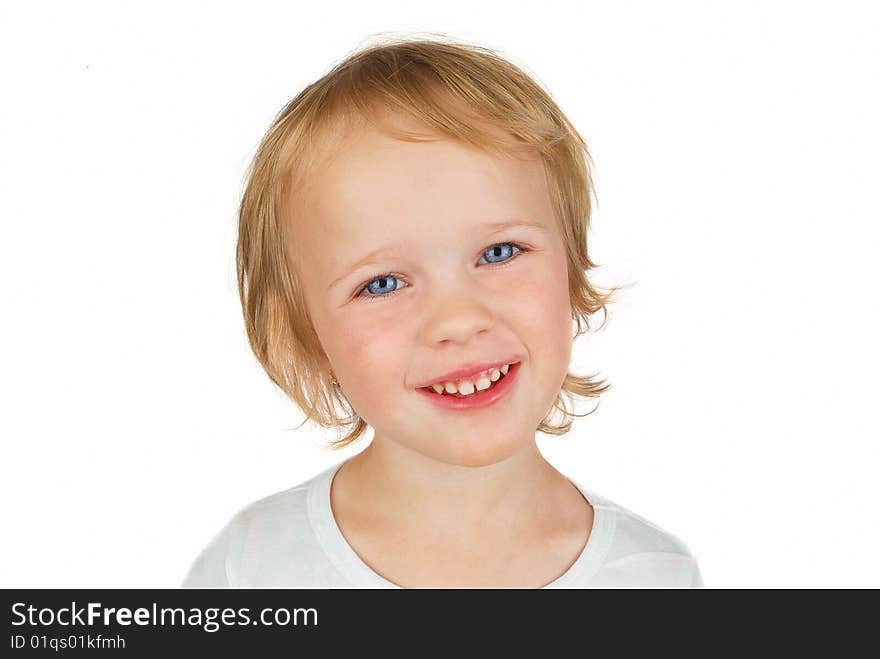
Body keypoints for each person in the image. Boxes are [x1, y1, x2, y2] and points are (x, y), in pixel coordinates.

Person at [182, 35, 704, 588]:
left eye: (499, 253)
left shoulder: (654, 578)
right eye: (382, 284)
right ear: (305, 335)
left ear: (572, 269)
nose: (457, 320)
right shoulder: (251, 571)